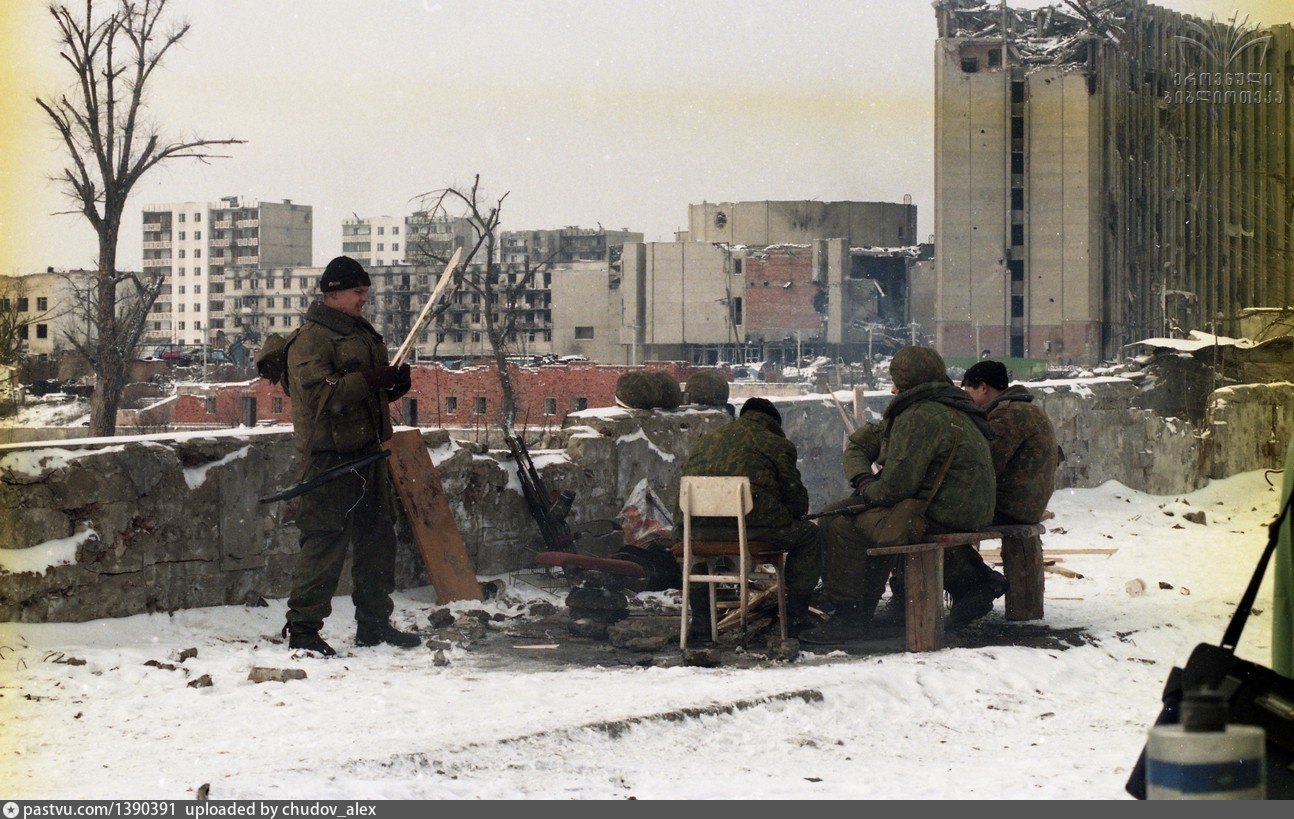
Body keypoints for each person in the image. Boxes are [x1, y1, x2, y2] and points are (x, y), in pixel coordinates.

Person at [801, 346, 1000, 644]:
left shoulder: (919, 414)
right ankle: (974, 581)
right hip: (972, 507)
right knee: (872, 520)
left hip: (942, 510)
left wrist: (867, 489)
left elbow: (894, 488)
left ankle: (851, 615)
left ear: (904, 380)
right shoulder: (957, 405)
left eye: (896, 380)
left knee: (841, 523)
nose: (893, 387)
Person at [280, 255, 418, 656]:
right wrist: (370, 380)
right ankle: (304, 628)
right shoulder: (311, 339)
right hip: (329, 459)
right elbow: (323, 395)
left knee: (377, 540)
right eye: (358, 293)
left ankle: (374, 623)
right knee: (325, 543)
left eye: (365, 293)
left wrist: (392, 387)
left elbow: (363, 396)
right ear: (334, 293)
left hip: (368, 453)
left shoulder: (360, 334)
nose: (364, 300)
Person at [674, 397, 821, 636]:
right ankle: (796, 617)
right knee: (810, 536)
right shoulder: (776, 444)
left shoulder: (707, 440)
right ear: (774, 423)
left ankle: (701, 621)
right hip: (756, 530)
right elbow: (797, 502)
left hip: (698, 532)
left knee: (697, 557)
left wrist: (680, 535)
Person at [961, 360, 1061, 526]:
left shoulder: (1006, 415)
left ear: (983, 387)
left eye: (968, 392)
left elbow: (985, 467)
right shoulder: (1025, 408)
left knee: (939, 516)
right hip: (1029, 504)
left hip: (1011, 509)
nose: (967, 400)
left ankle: (962, 553)